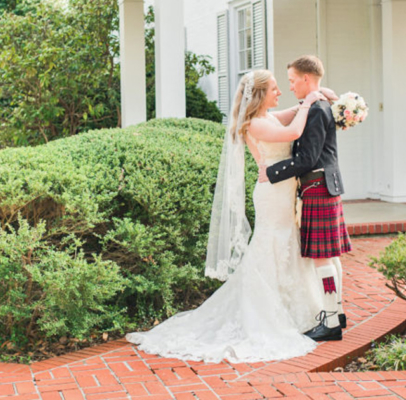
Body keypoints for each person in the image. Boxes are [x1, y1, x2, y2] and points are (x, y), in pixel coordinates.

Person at [126, 69, 332, 364]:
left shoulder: (268, 116)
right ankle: (267, 311)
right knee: (272, 244)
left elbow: (294, 112)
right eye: (274, 88)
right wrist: (310, 98)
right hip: (272, 195)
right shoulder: (254, 124)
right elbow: (294, 132)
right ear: (260, 94)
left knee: (286, 242)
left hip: (283, 192)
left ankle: (295, 309)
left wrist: (319, 96)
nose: (279, 92)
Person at [259, 55, 352, 342]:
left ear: (306, 79)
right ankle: (336, 311)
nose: (290, 87)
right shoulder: (321, 105)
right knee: (331, 256)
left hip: (317, 187)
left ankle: (332, 322)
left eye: (292, 81)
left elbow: (306, 158)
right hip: (327, 185)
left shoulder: (315, 111)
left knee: (322, 259)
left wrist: (271, 172)